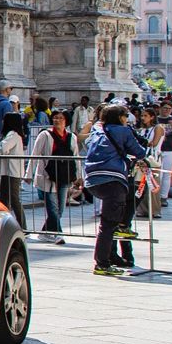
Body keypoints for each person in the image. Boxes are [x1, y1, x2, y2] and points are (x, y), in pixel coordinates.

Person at [83, 103, 146, 276]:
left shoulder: (98, 130)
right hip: (113, 178)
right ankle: (102, 263)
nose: (127, 119)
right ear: (120, 117)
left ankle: (112, 250)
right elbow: (139, 151)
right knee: (108, 225)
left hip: (93, 179)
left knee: (108, 222)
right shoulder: (123, 131)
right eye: (125, 116)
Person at [29, 109, 76, 245]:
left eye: (60, 118)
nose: (57, 120)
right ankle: (57, 234)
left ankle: (44, 232)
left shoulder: (71, 137)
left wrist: (79, 176)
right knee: (52, 206)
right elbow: (35, 154)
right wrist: (28, 174)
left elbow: (76, 157)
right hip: (48, 176)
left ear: (66, 121)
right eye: (55, 118)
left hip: (65, 175)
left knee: (60, 208)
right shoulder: (45, 135)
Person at [0, 109, 28, 233]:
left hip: (12, 171)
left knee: (13, 198)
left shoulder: (13, 134)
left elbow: (4, 148)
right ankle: (5, 223)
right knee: (4, 198)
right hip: (8, 171)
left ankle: (22, 225)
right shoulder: (13, 135)